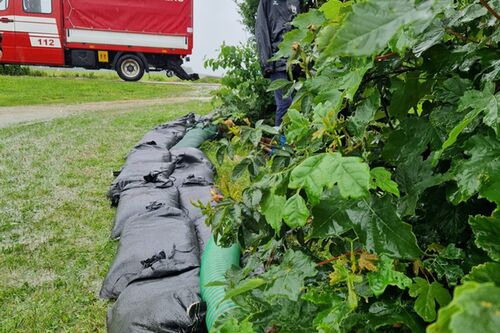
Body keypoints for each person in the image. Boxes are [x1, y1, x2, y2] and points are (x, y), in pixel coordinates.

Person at [255, 0, 306, 128]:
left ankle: (292, 142)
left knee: (297, 105)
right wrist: (266, 61)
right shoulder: (267, 2)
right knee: (285, 103)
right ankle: (280, 144)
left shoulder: (296, 2)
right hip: (276, 62)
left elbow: (300, 28)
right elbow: (261, 29)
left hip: (294, 62)